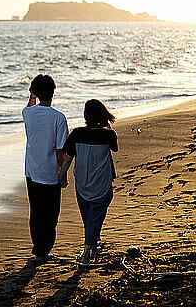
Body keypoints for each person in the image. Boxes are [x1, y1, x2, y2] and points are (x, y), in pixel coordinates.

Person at [59, 99, 118, 265]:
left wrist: (62, 175)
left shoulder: (77, 134)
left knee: (89, 217)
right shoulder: (108, 135)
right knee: (96, 215)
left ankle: (93, 243)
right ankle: (87, 252)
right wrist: (107, 127)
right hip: (102, 182)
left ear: (85, 115)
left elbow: (68, 159)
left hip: (82, 183)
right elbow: (114, 148)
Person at [22, 74, 69, 264]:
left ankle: (38, 249)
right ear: (53, 92)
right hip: (50, 173)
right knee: (50, 214)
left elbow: (29, 106)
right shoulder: (58, 118)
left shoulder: (27, 114)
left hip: (31, 171)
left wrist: (32, 95)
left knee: (36, 211)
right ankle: (43, 250)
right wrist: (62, 172)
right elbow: (60, 150)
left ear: (34, 92)